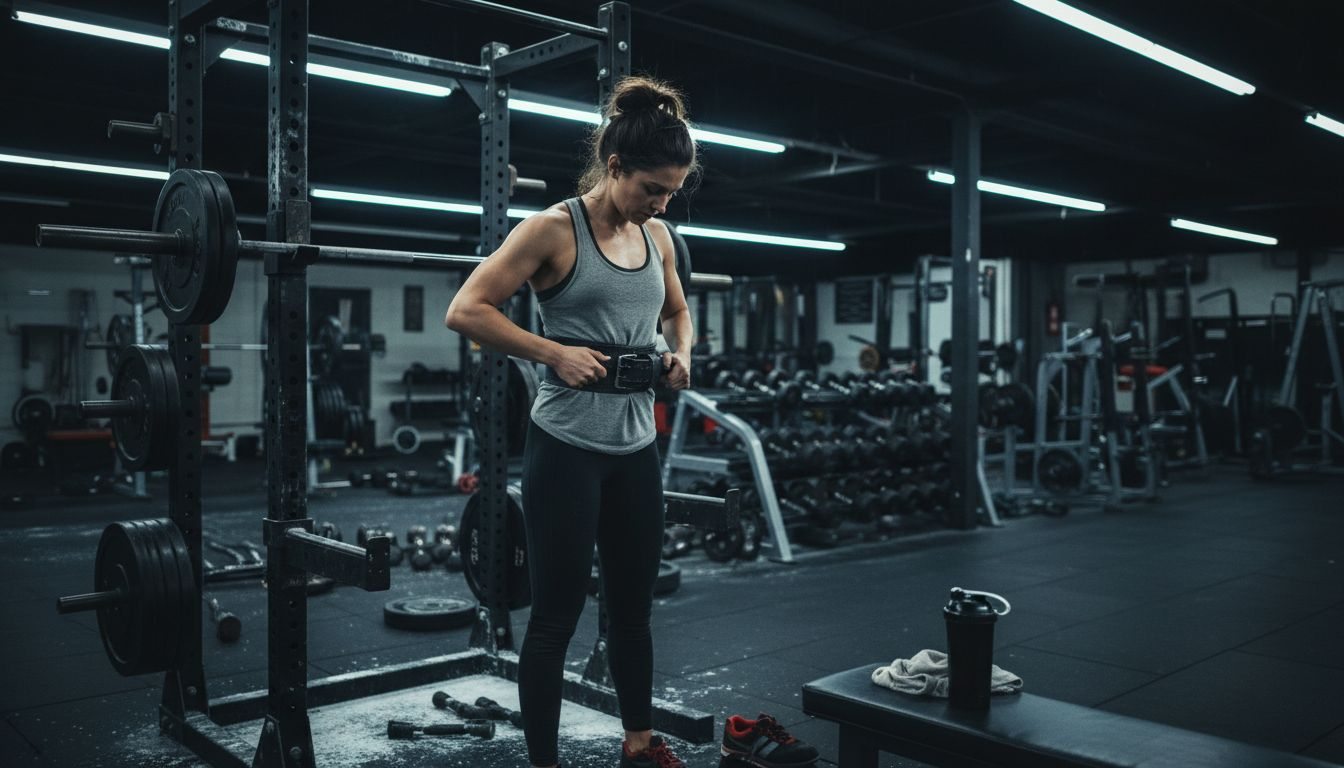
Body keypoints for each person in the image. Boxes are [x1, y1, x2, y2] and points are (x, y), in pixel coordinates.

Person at [445, 75, 695, 768]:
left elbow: (677, 311)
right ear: (615, 168)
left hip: (635, 444)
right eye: (652, 188)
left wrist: (680, 355)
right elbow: (467, 309)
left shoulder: (661, 236)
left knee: (633, 612)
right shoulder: (553, 229)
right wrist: (552, 351)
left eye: (672, 191)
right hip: (565, 447)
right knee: (555, 615)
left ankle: (640, 746)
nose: (662, 202)